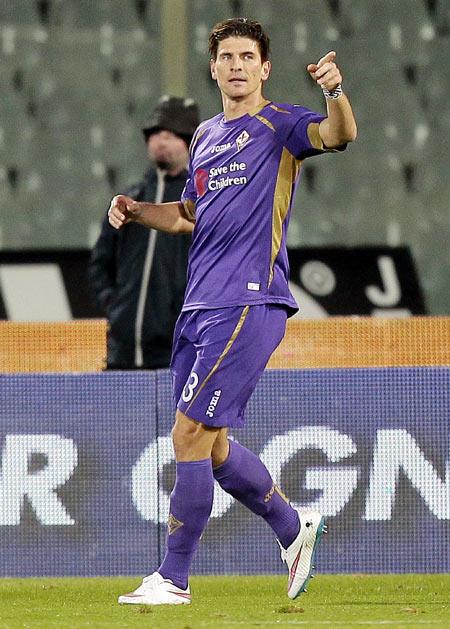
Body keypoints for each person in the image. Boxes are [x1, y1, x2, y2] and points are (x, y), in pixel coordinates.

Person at [109, 18, 357, 605]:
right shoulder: (206, 137)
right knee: (213, 448)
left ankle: (172, 578)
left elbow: (340, 135)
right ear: (214, 68)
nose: (239, 64)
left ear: (264, 68)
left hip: (248, 299)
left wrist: (335, 91)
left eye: (249, 56)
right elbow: (188, 215)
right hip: (198, 305)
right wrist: (138, 209)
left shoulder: (282, 124)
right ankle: (294, 530)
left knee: (188, 433)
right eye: (228, 56)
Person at [89, 95, 199, 369]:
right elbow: (101, 262)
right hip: (121, 351)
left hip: (177, 351)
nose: (161, 140)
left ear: (188, 143)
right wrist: (116, 307)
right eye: (155, 133)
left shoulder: (200, 202)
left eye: (171, 134)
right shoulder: (129, 201)